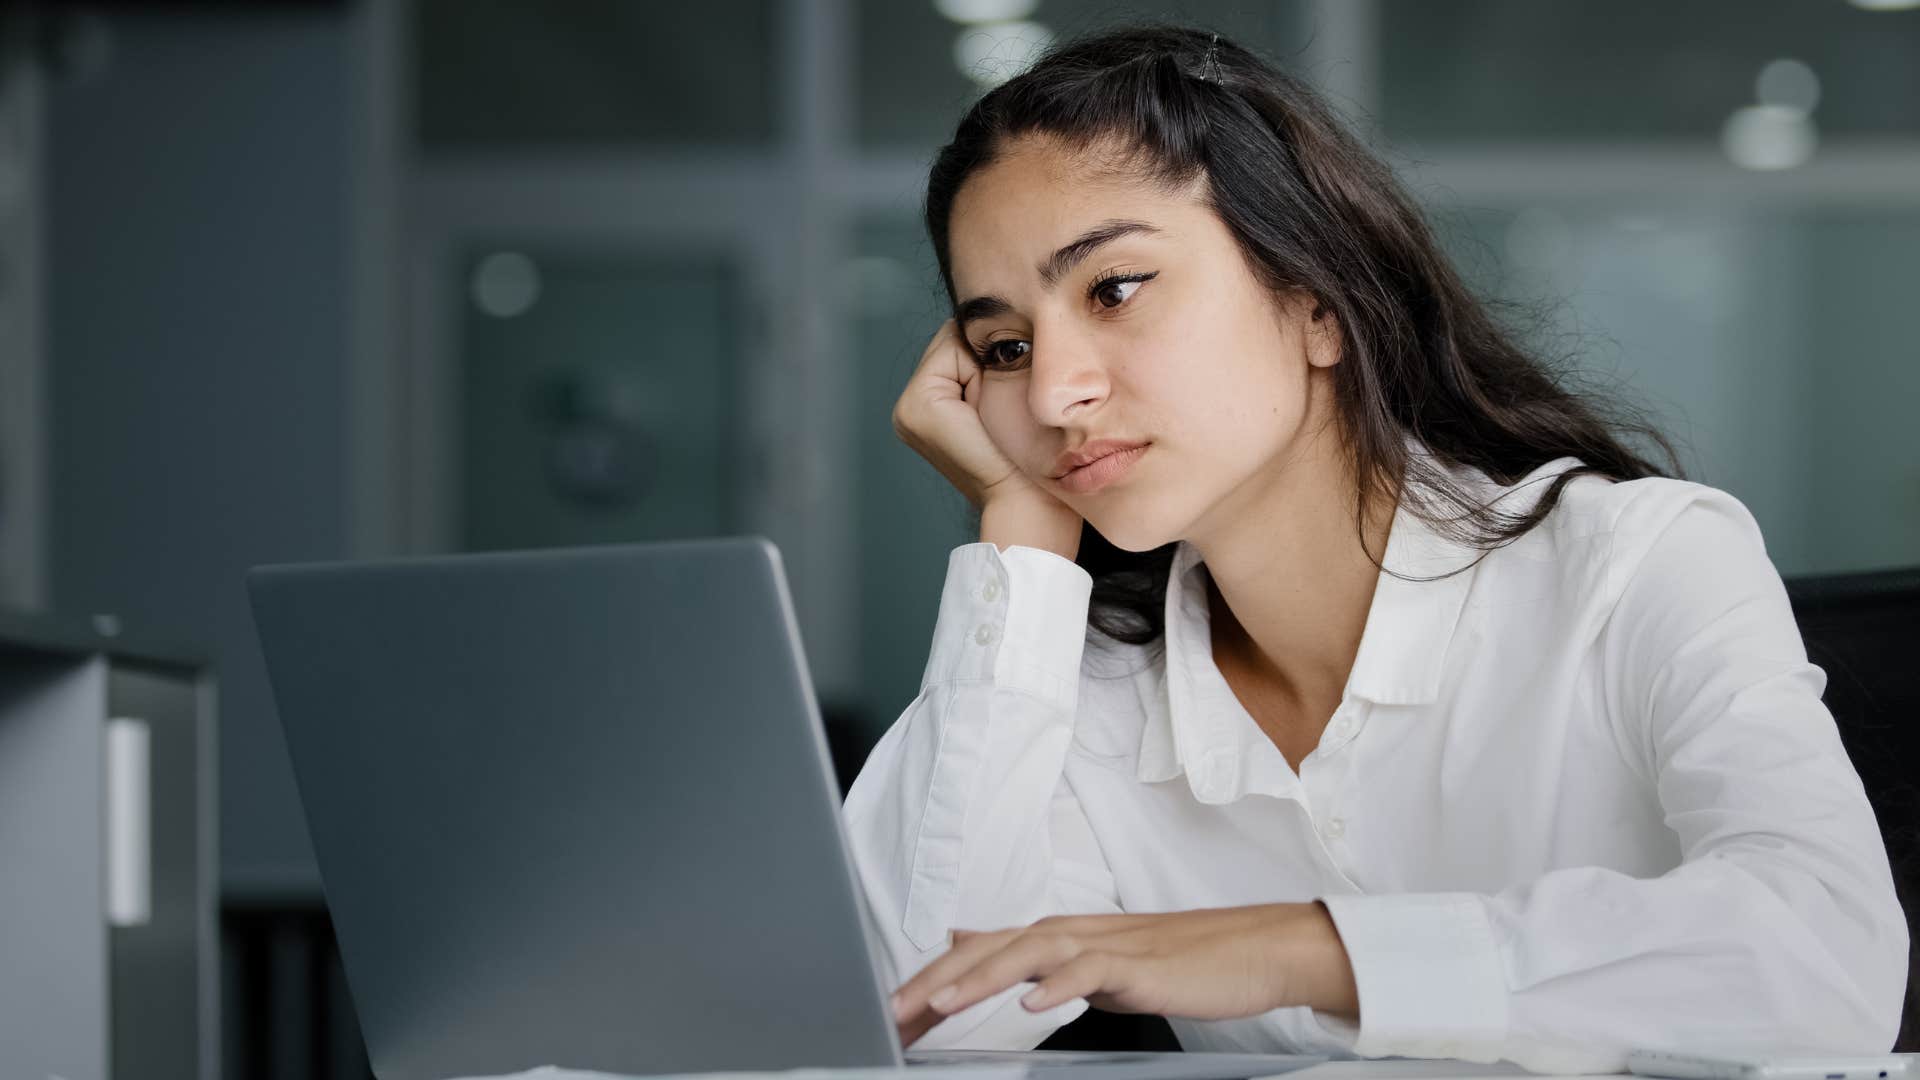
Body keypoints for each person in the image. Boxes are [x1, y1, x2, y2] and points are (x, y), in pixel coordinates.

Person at [841, 23, 1906, 1075]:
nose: (1055, 390)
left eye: (1114, 289)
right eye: (1005, 347)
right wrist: (1022, 533)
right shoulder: (1098, 693)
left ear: (1313, 305)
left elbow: (1827, 962)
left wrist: (1298, 948)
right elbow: (922, 1005)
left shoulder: (1639, 564)